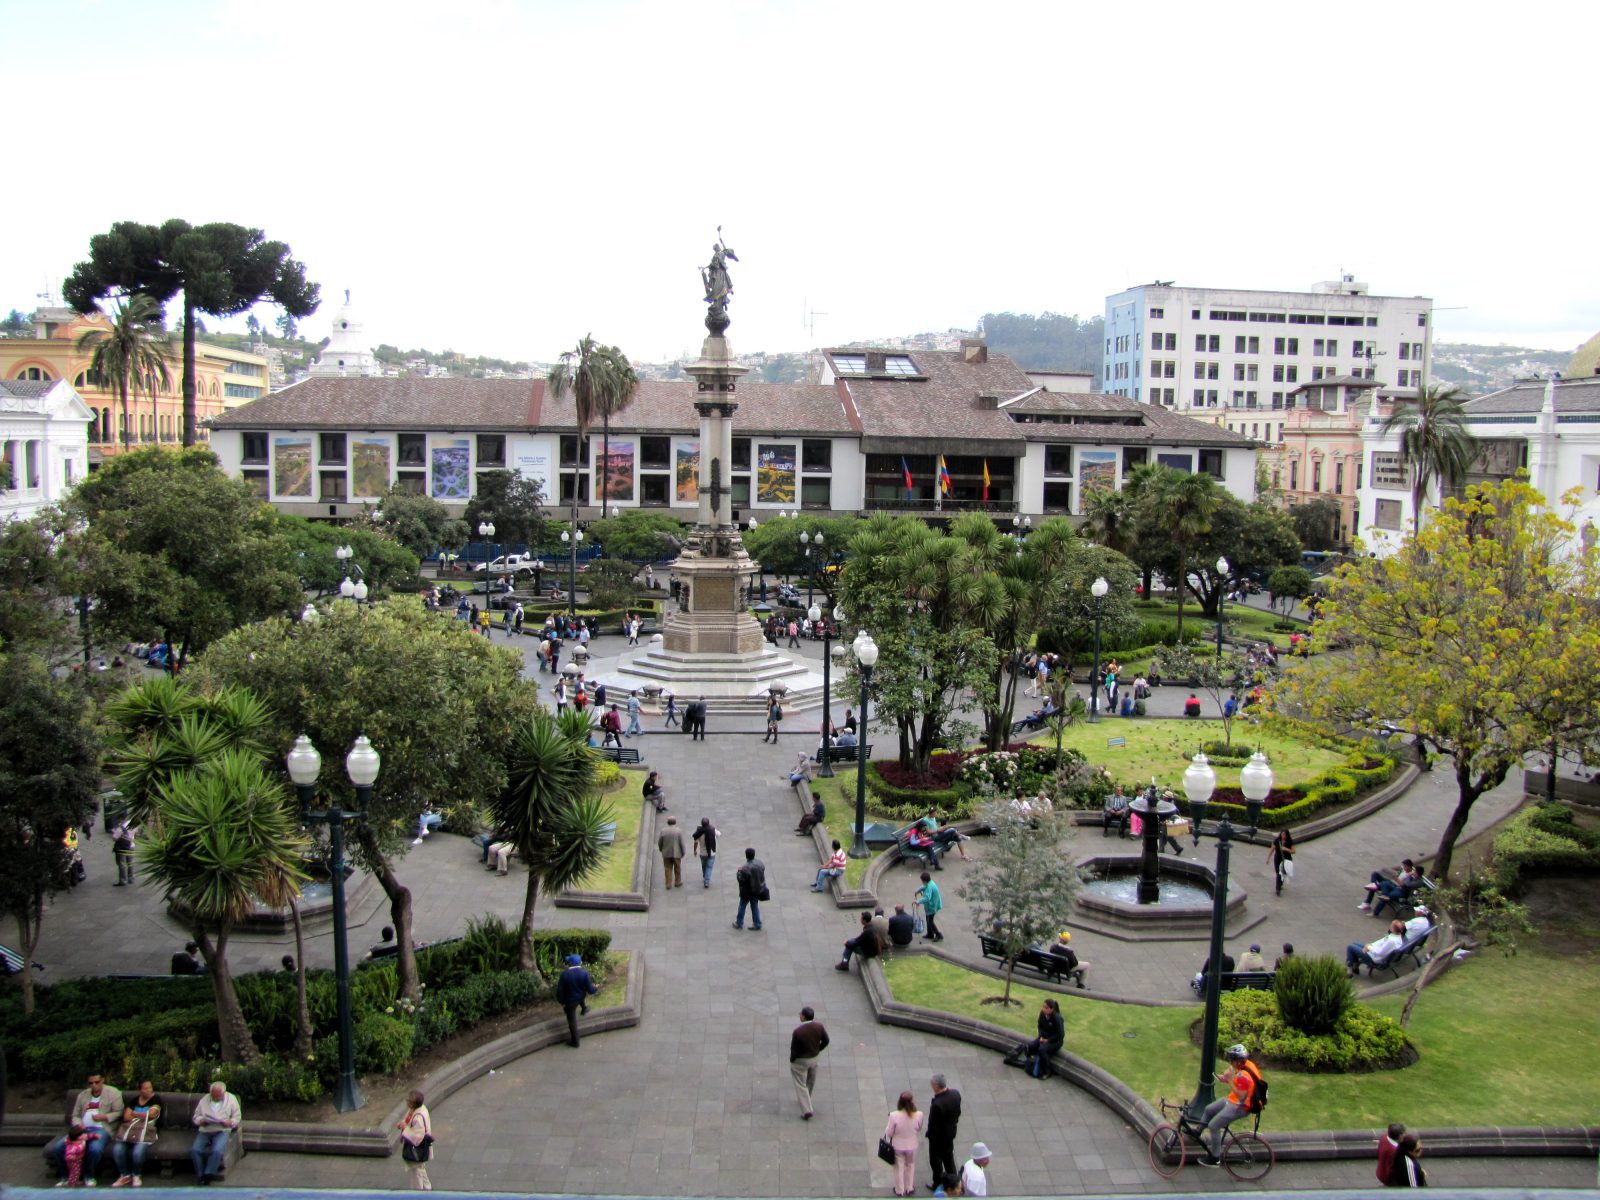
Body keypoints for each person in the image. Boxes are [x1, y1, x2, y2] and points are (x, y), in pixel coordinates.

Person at [47, 1073, 123, 1184]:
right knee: (58, 1148)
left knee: (95, 1149)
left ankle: (89, 1176)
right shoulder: (83, 1095)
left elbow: (119, 1112)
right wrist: (78, 1124)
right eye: (90, 1083)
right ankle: (65, 1177)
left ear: (102, 1081)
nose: (94, 1085)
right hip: (81, 1130)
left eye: (96, 1082)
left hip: (101, 1128)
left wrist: (105, 1116)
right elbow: (75, 1115)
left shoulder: (113, 1093)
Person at [1197, 1044, 1260, 1167]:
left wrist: (1230, 1080)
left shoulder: (1244, 1076)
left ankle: (1215, 1158)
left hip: (1241, 1106)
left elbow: (1241, 1095)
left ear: (1237, 1061)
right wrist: (1225, 1078)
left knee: (1214, 1125)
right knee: (1209, 1109)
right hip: (1234, 1100)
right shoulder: (1246, 1065)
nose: (1230, 1063)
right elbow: (1240, 1083)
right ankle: (1197, 1132)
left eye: (1232, 1060)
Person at [111, 1080, 162, 1187]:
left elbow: (152, 1114)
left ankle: (136, 1174)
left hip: (145, 1132)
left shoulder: (156, 1099)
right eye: (145, 1088)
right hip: (129, 1131)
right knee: (117, 1149)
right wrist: (143, 1115)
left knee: (137, 1152)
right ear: (140, 1090)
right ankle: (124, 1175)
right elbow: (126, 1117)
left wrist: (135, 1114)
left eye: (150, 1087)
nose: (149, 1090)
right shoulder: (134, 1100)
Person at [190, 1080, 241, 1184]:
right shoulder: (204, 1100)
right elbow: (196, 1117)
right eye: (214, 1096)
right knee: (195, 1150)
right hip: (206, 1129)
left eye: (219, 1096)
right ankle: (200, 1174)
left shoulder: (231, 1099)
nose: (217, 1098)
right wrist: (201, 1121)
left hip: (222, 1130)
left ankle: (208, 1174)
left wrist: (230, 1122)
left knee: (217, 1150)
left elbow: (237, 1117)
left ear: (224, 1093)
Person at [789, 1006, 830, 1120]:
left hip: (801, 1060)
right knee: (811, 1080)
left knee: (800, 1083)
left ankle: (807, 1110)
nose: (800, 1016)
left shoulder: (798, 1032)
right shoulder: (819, 1027)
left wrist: (793, 1060)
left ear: (803, 1017)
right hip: (814, 1058)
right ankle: (807, 1098)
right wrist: (818, 1049)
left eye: (800, 1015)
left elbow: (794, 1049)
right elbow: (826, 1040)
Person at [882, 1091, 924, 1197]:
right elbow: (919, 1128)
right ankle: (909, 1188)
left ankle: (899, 1190)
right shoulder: (919, 1114)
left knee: (898, 1168)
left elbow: (889, 1133)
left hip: (898, 1146)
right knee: (910, 1165)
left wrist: (887, 1129)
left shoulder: (894, 1116)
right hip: (912, 1146)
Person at [926, 1074, 962, 1191]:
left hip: (938, 1138)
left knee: (936, 1162)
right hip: (950, 1134)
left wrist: (930, 1135)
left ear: (936, 1086)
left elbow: (933, 1125)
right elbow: (958, 1112)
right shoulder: (955, 1094)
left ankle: (937, 1183)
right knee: (949, 1158)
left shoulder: (937, 1104)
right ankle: (955, 1182)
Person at [555, 953, 598, 1047]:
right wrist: (595, 989)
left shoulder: (564, 975)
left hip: (570, 1001)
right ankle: (584, 1008)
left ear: (569, 963)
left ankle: (575, 1042)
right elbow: (590, 989)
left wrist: (561, 1001)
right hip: (581, 996)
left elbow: (560, 991)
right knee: (580, 996)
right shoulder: (584, 973)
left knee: (572, 1021)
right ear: (580, 963)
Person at [397, 1089, 433, 1190]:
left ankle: (418, 1192)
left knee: (415, 1170)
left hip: (417, 1149)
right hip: (422, 1147)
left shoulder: (418, 1117)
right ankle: (427, 1188)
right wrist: (403, 1123)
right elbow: (408, 1119)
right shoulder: (419, 1109)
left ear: (412, 1104)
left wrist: (405, 1128)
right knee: (421, 1168)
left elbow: (417, 1137)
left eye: (408, 1101)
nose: (406, 1102)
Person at [1025, 997, 1064, 1079]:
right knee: (1031, 1046)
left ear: (1051, 1009)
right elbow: (1039, 1025)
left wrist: (1048, 1040)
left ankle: (1047, 1071)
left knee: (1042, 1049)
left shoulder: (1057, 1018)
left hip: (1055, 1041)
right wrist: (1041, 1036)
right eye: (1043, 1007)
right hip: (1044, 1037)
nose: (1044, 1009)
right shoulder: (1042, 1014)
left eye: (1046, 1008)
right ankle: (1030, 1063)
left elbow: (1060, 1034)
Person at [734, 847, 766, 930]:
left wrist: (738, 872)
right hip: (756, 889)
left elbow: (741, 880)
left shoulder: (745, 867)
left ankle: (739, 922)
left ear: (746, 856)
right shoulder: (760, 863)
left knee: (742, 905)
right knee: (754, 906)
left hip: (747, 891)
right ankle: (757, 923)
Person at [658, 816, 686, 889]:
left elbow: (660, 842)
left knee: (667, 868)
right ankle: (677, 881)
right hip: (677, 853)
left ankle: (668, 884)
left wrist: (661, 849)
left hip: (666, 853)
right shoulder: (678, 831)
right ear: (675, 822)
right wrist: (683, 852)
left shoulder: (663, 831)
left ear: (668, 822)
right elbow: (681, 843)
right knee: (677, 868)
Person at [916, 871, 944, 942]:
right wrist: (919, 890)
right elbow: (924, 886)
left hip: (932, 907)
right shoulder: (930, 883)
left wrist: (918, 901)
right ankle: (930, 933)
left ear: (925, 880)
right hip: (932, 906)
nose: (922, 882)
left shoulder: (930, 887)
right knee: (928, 919)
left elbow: (927, 898)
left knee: (930, 921)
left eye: (922, 881)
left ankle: (938, 935)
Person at [1268, 828, 1295, 895]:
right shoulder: (1277, 841)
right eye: (1282, 834)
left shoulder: (1289, 841)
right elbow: (1272, 849)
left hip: (1286, 860)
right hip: (1277, 859)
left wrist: (1285, 849)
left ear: (1287, 835)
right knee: (1278, 873)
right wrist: (1268, 858)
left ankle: (1280, 884)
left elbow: (1293, 851)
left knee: (1283, 873)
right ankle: (1278, 889)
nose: (1283, 836)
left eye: (1284, 834)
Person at [1377, 1121, 1406, 1185]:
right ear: (1399, 1136)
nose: (1405, 1135)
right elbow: (1391, 1170)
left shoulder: (1384, 1137)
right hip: (1388, 1179)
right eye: (1404, 1134)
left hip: (1380, 1172)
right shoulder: (1395, 1152)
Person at [692, 818, 718, 887]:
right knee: (709, 867)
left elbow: (696, 842)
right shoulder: (712, 830)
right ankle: (706, 881)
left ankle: (705, 876)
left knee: (704, 866)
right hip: (711, 853)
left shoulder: (699, 832)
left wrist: (694, 850)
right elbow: (719, 834)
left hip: (702, 853)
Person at [110, 818, 137, 886]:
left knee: (122, 864)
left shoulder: (119, 827)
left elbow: (114, 838)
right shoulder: (132, 823)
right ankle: (131, 878)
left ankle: (123, 880)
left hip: (121, 847)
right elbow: (135, 831)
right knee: (130, 862)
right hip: (131, 845)